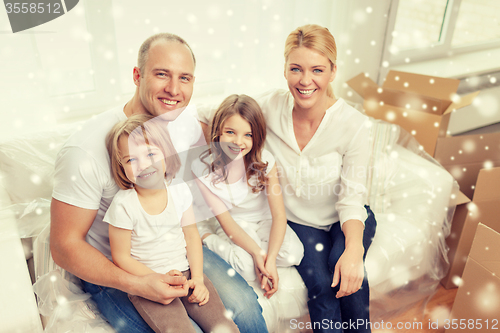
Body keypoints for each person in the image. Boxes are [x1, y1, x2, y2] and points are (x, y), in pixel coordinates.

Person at [50, 33, 268, 333]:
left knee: (243, 310)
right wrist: (138, 283)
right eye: (162, 74)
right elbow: (64, 246)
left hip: (178, 252)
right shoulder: (85, 150)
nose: (174, 89)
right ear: (137, 75)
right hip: (118, 266)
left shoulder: (183, 122)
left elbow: (224, 140)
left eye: (185, 78)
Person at [198, 24, 376, 333]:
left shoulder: (355, 126)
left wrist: (353, 250)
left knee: (346, 272)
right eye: (296, 69)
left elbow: (351, 199)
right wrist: (209, 158)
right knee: (322, 285)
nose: (305, 81)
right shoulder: (270, 107)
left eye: (317, 70)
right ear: (284, 69)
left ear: (333, 72)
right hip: (301, 223)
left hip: (347, 219)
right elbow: (212, 113)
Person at [104, 114, 239, 333]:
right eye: (131, 159)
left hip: (185, 273)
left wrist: (197, 278)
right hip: (147, 281)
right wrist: (156, 279)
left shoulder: (178, 190)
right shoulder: (124, 205)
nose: (144, 165)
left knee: (225, 328)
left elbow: (192, 236)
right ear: (121, 166)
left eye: (150, 154)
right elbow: (121, 257)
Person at [192, 94, 304, 298]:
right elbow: (226, 221)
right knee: (246, 268)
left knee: (293, 254)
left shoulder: (266, 162)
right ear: (218, 131)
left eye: (248, 135)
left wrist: (269, 260)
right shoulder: (203, 168)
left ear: (257, 136)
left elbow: (279, 215)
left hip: (264, 220)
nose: (238, 142)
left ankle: (258, 254)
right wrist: (257, 253)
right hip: (233, 223)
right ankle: (206, 236)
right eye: (230, 132)